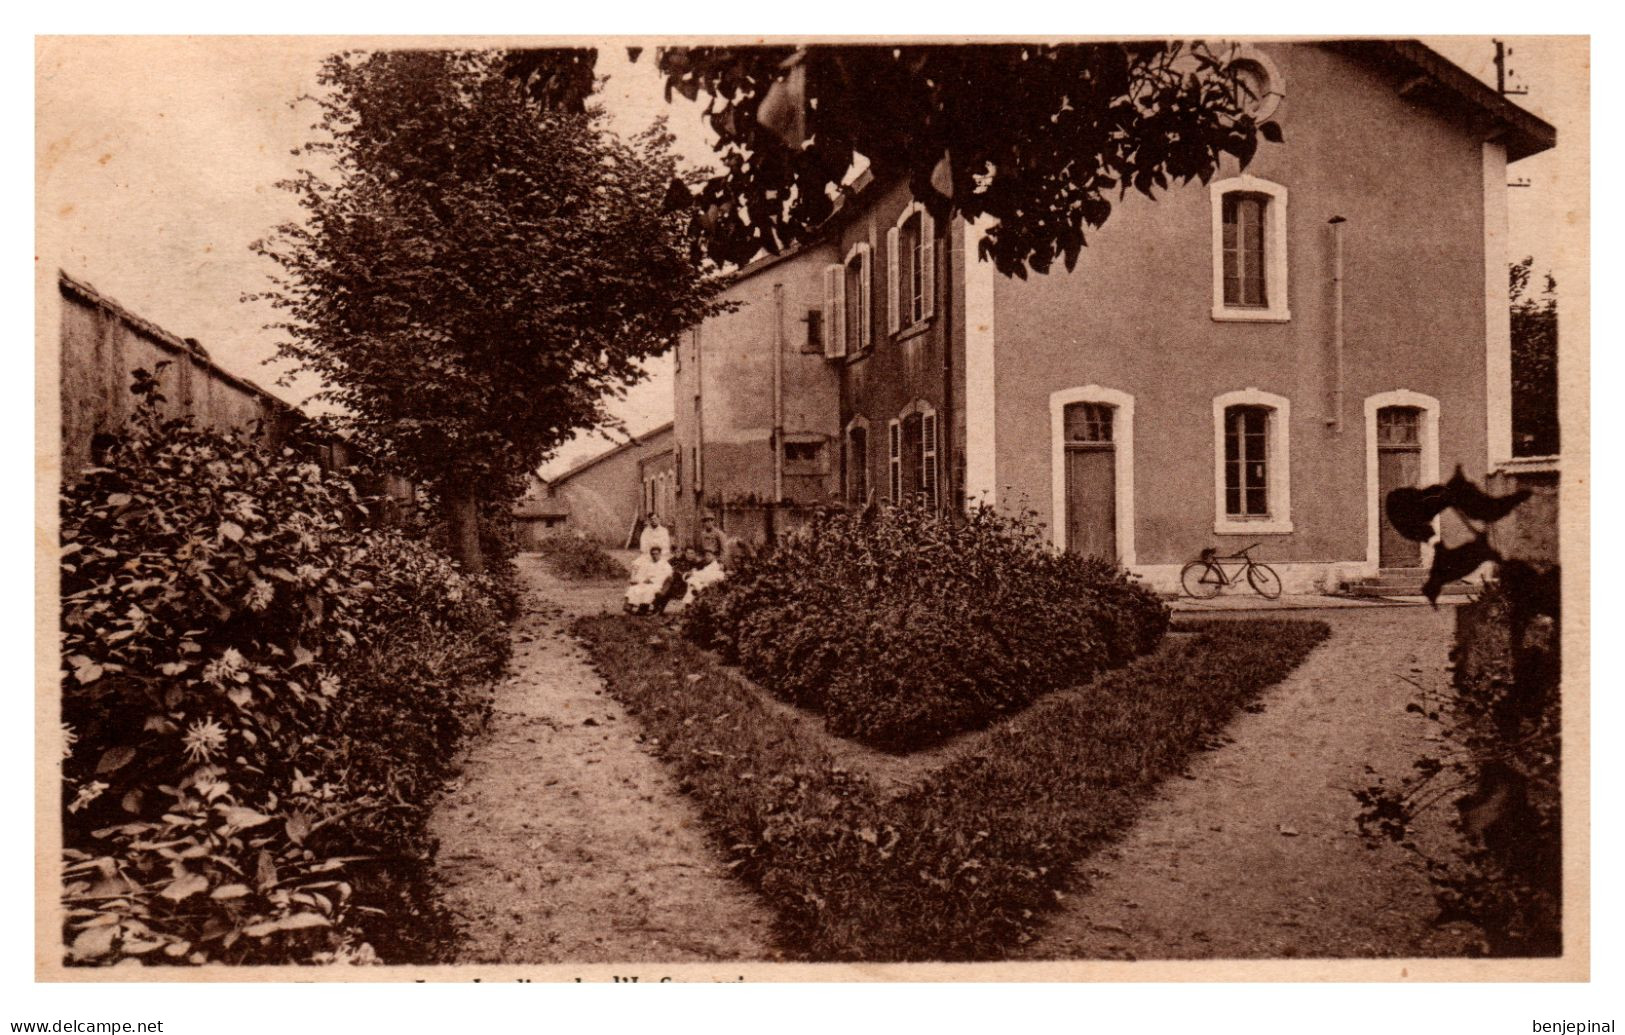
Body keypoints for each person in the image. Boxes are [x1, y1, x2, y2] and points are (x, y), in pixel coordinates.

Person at [624, 544, 672, 615]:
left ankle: (643, 608)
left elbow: (666, 576)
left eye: (656, 554)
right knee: (634, 588)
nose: (654, 556)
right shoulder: (648, 564)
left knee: (648, 590)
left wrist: (652, 580)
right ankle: (628, 606)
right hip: (645, 583)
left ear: (660, 554)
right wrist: (641, 580)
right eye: (653, 554)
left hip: (657, 584)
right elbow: (642, 574)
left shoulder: (665, 564)